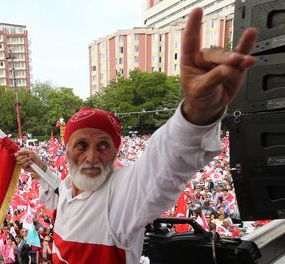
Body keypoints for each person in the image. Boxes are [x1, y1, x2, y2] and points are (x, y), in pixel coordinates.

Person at [14, 7, 258, 263]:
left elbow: (165, 165)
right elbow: (58, 196)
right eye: (81, 145)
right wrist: (39, 168)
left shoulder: (121, 195)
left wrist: (197, 112)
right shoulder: (67, 189)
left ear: (115, 152)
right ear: (66, 150)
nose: (91, 156)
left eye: (103, 146)